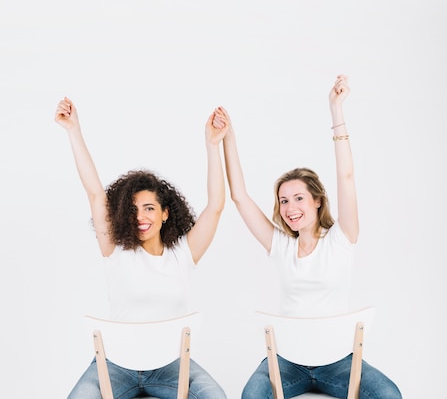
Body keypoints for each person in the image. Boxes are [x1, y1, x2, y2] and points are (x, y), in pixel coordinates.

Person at [216, 75, 402, 399]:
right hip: (287, 361)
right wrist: (228, 138)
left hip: (338, 361)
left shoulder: (341, 238)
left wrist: (336, 111)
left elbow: (346, 175)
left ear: (317, 200)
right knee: (250, 395)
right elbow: (241, 197)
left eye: (299, 198)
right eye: (284, 201)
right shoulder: (280, 246)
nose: (290, 208)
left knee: (389, 394)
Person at [55, 96, 228, 399]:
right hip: (115, 365)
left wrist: (213, 145)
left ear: (165, 213)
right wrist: (73, 130)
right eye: (133, 210)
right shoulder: (116, 251)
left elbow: (215, 206)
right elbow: (96, 194)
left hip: (170, 366)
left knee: (216, 396)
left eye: (149, 208)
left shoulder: (182, 254)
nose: (140, 217)